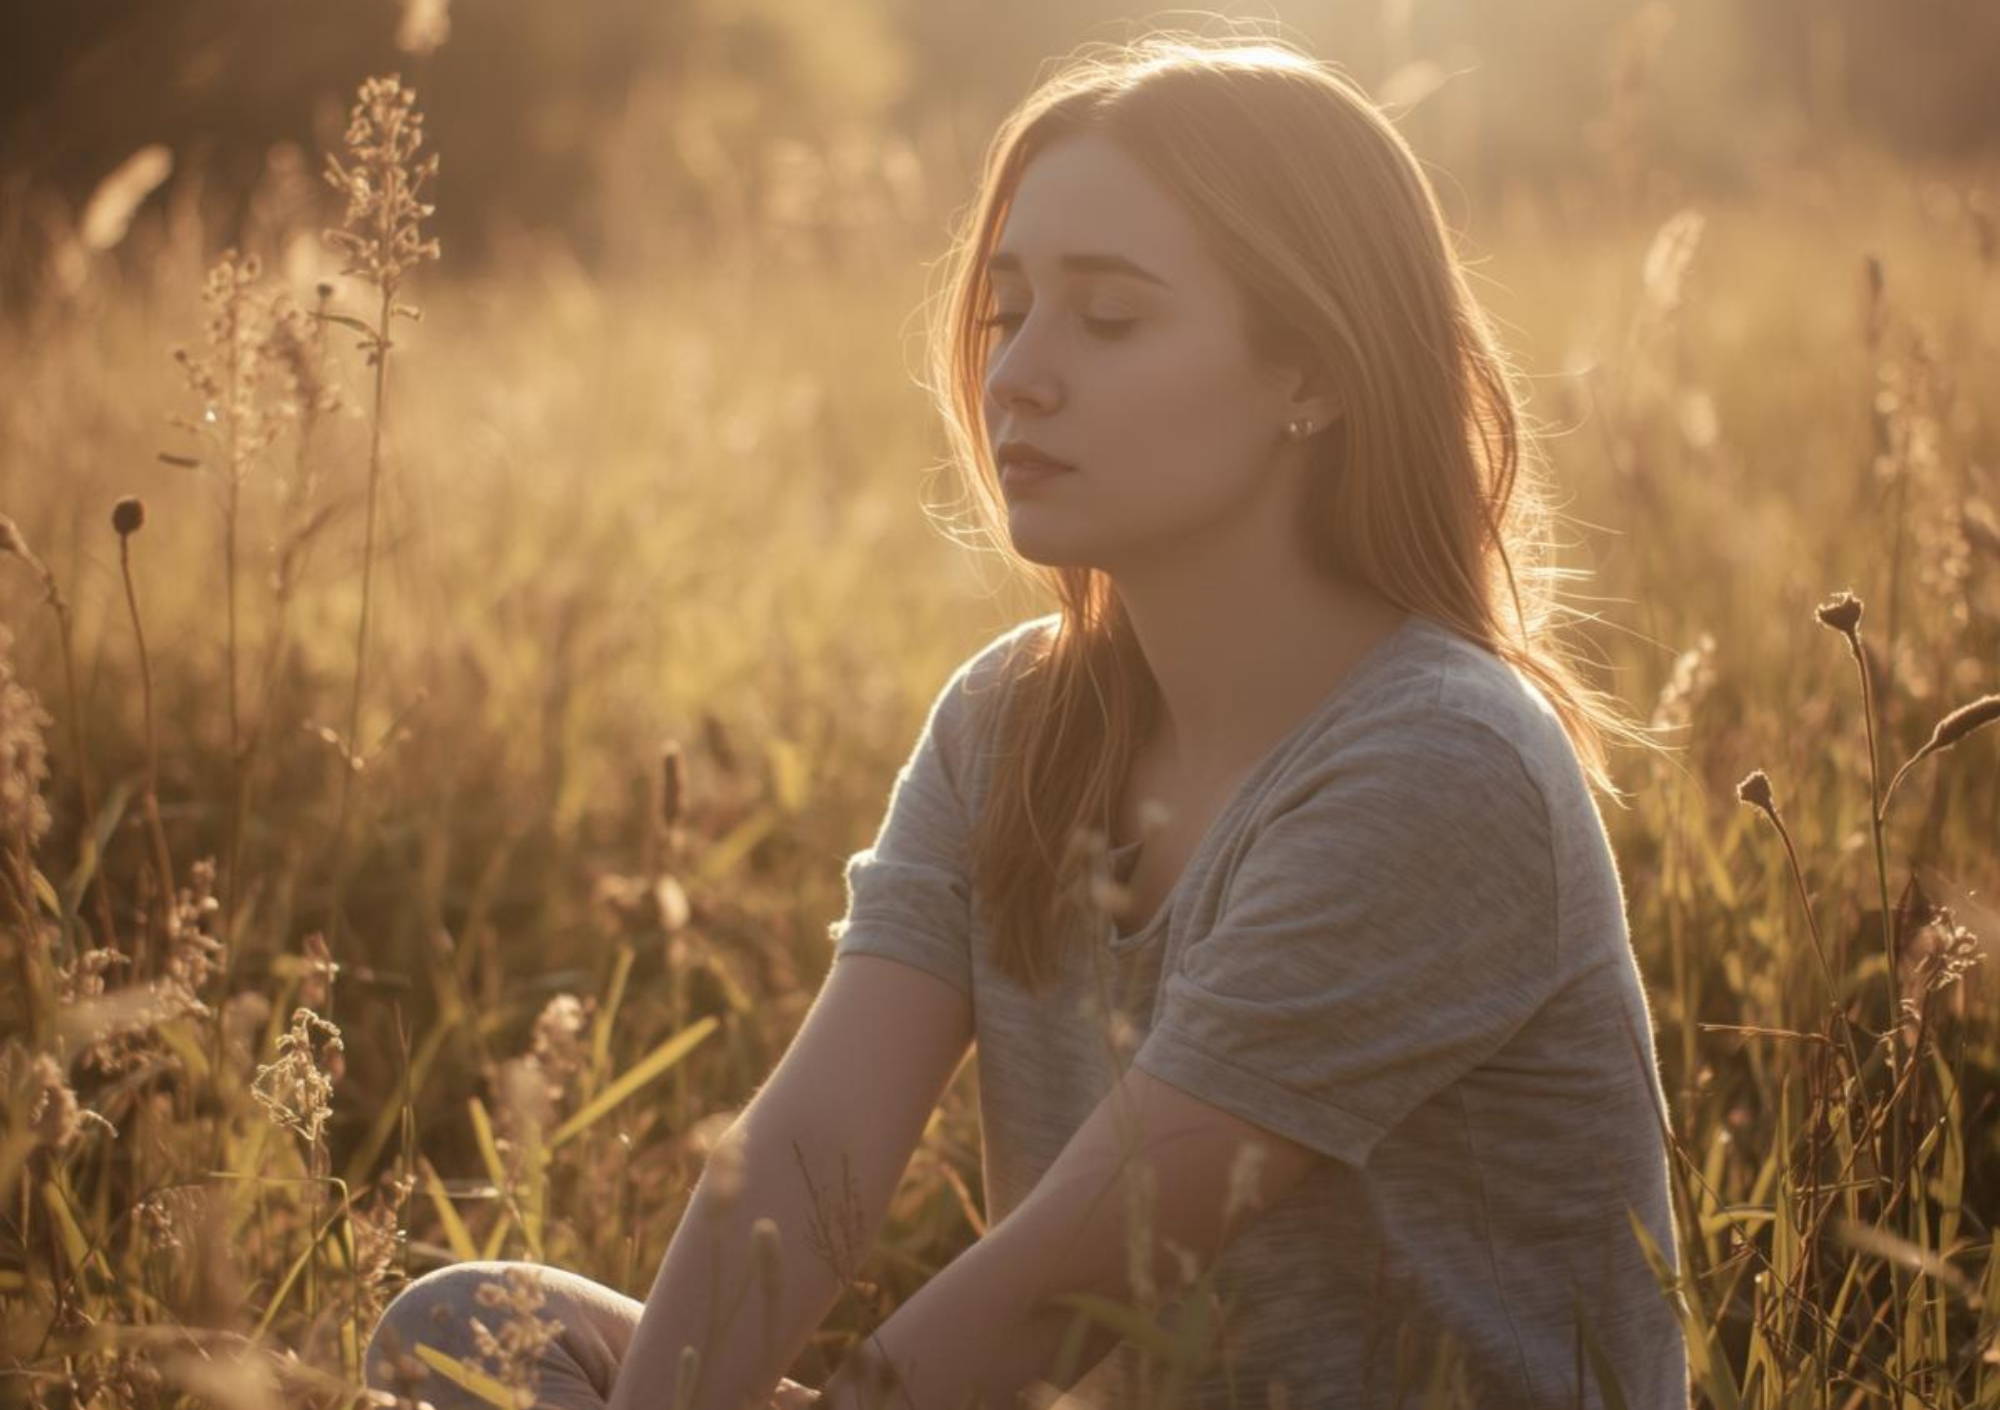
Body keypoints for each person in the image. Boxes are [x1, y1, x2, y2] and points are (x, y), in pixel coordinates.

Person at [363, 28, 1691, 1410]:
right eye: (1008, 315)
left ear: (1314, 374)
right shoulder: (1009, 720)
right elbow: (815, 1152)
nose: (1018, 378)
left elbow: (1068, 1287)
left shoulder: (1442, 760)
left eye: (1109, 318)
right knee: (470, 1326)